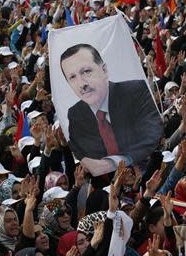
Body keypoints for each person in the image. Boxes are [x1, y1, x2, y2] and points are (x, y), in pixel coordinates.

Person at [60, 44, 162, 175]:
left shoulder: (135, 92)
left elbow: (152, 135)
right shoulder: (75, 113)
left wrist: (115, 162)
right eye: (72, 77)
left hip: (149, 172)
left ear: (104, 70)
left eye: (86, 71)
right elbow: (83, 153)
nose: (82, 84)